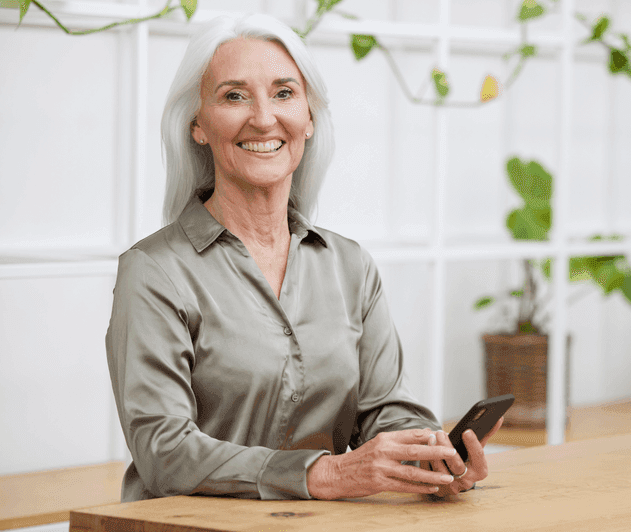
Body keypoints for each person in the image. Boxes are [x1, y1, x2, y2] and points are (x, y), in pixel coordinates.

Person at [106, 13, 501, 503]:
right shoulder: (155, 272)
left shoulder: (349, 266)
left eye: (284, 93)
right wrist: (326, 475)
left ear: (309, 118)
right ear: (198, 125)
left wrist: (429, 461)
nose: (264, 117)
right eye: (234, 95)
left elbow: (386, 412)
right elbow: (163, 451)